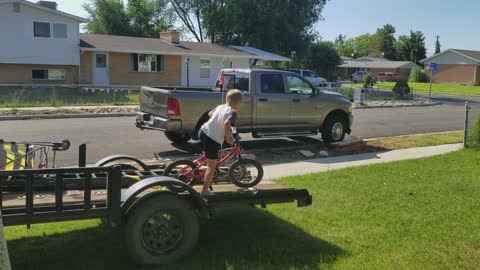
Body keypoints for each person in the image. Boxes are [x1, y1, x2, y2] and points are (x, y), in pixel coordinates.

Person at [199, 89, 243, 196]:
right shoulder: (233, 112)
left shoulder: (221, 107)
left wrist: (218, 119)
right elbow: (227, 123)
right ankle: (204, 191)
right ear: (238, 103)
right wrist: (228, 137)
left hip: (203, 131)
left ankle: (202, 175)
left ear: (227, 99)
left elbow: (210, 114)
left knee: (210, 156)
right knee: (211, 166)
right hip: (211, 138)